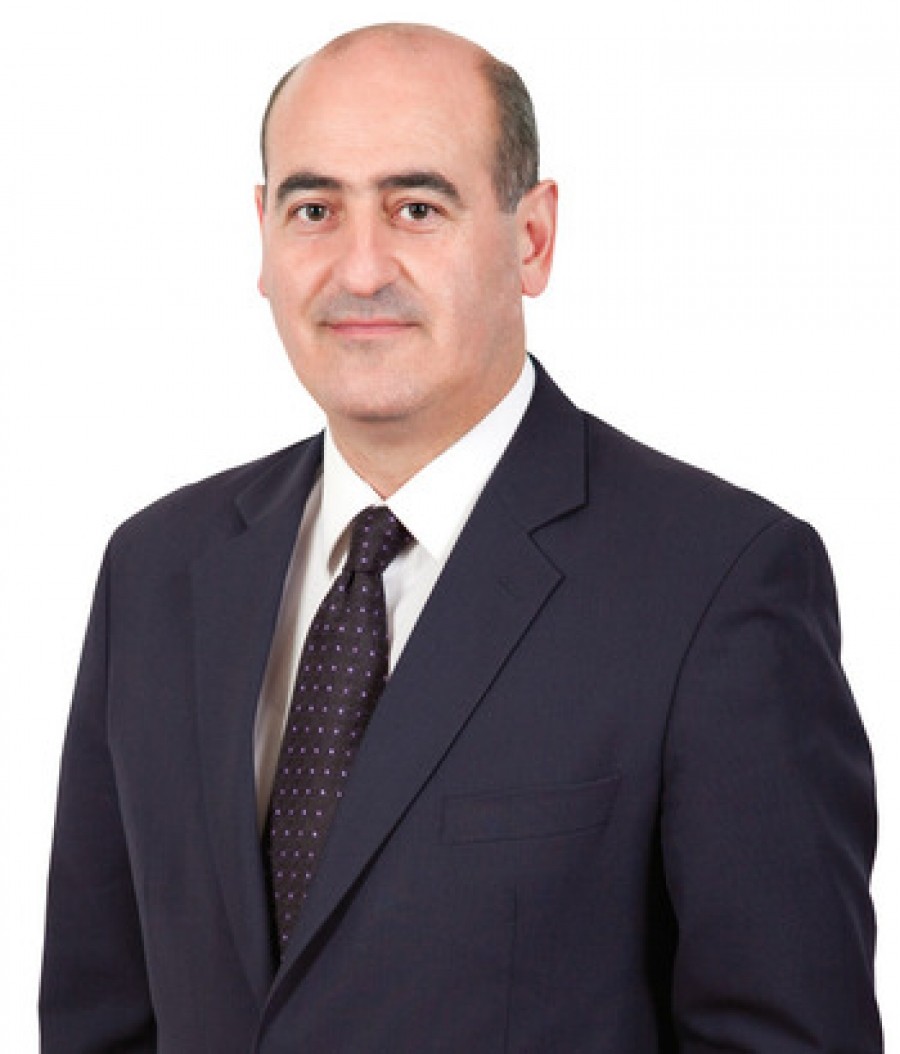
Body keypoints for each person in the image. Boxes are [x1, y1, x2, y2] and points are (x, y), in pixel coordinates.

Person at [40, 22, 881, 1053]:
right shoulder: (155, 571)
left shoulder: (717, 585)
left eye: (417, 207)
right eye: (314, 209)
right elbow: (97, 1019)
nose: (359, 269)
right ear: (263, 234)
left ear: (532, 239)